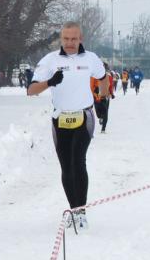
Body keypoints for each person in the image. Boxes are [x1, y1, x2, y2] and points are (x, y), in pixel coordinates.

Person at [27, 22, 108, 231]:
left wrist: (102, 97)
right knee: (66, 166)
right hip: (60, 119)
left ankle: (81, 212)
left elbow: (103, 78)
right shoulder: (50, 60)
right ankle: (73, 209)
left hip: (84, 116)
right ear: (61, 39)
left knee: (78, 161)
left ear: (81, 38)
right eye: (66, 39)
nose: (70, 43)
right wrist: (50, 82)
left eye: (74, 39)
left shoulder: (91, 58)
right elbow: (31, 90)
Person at [91, 63, 114, 133]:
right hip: (96, 97)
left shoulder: (109, 76)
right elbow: (91, 86)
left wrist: (111, 93)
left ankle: (103, 128)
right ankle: (100, 117)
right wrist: (93, 93)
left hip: (105, 97)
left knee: (105, 112)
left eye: (104, 68)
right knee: (98, 113)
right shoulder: (94, 76)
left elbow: (110, 86)